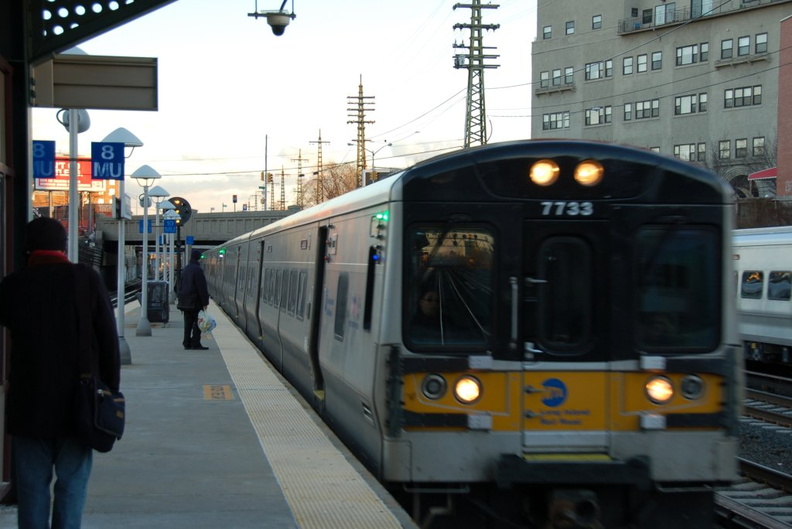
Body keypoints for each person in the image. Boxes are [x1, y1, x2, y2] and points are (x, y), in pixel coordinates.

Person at [0, 217, 121, 529]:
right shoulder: (86, 279)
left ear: (27, 249)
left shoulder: (14, 285)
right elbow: (108, 341)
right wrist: (110, 391)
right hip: (79, 404)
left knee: (31, 489)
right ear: (64, 246)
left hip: (28, 404)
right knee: (71, 485)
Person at [178, 249, 210, 350]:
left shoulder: (186, 269)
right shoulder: (198, 270)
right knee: (197, 324)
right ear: (198, 258)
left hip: (185, 302)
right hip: (195, 302)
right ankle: (196, 343)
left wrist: (181, 297)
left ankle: (186, 343)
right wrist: (205, 302)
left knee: (187, 324)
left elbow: (178, 285)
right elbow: (202, 288)